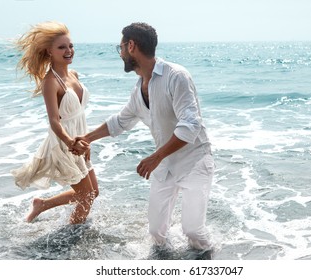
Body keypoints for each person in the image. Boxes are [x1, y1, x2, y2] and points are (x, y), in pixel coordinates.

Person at [73, 22, 214, 250]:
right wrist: (86, 138)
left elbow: (191, 125)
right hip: (165, 164)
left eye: (120, 48)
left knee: (193, 231)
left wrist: (155, 157)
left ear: (131, 46)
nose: (119, 54)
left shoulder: (176, 76)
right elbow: (120, 121)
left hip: (194, 161)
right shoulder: (139, 89)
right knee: (156, 232)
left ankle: (213, 260)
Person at [10, 21, 99, 224]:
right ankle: (72, 238)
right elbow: (54, 121)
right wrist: (71, 143)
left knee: (94, 192)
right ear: (49, 51)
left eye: (70, 46)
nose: (69, 51)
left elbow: (78, 115)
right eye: (62, 47)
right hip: (63, 145)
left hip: (79, 142)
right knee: (86, 195)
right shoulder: (50, 82)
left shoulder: (73, 74)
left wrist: (86, 143)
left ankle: (42, 204)